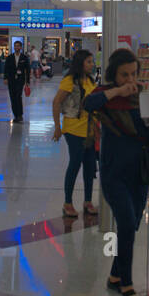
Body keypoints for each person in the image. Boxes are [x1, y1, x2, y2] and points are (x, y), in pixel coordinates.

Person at [85, 48, 149, 296]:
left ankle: (114, 275)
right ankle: (126, 283)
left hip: (139, 173)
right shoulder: (104, 96)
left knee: (132, 225)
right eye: (124, 74)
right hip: (114, 173)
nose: (130, 80)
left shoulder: (142, 100)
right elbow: (88, 104)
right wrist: (116, 91)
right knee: (125, 224)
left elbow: (147, 138)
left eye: (133, 74)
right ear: (114, 75)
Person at [52, 48, 99, 217]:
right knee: (75, 163)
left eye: (92, 61)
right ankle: (68, 202)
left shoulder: (90, 81)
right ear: (80, 63)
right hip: (73, 129)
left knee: (89, 166)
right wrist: (58, 127)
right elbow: (57, 102)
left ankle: (87, 201)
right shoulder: (70, 80)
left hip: (89, 129)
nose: (92, 64)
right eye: (89, 61)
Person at [4, 40, 28, 122]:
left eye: (18, 46)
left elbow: (27, 69)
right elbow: (6, 68)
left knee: (18, 96)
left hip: (20, 80)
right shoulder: (10, 57)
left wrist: (27, 81)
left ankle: (20, 114)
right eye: (15, 46)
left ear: (21, 47)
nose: (16, 47)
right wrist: (5, 78)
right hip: (11, 80)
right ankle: (16, 115)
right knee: (12, 97)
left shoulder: (24, 58)